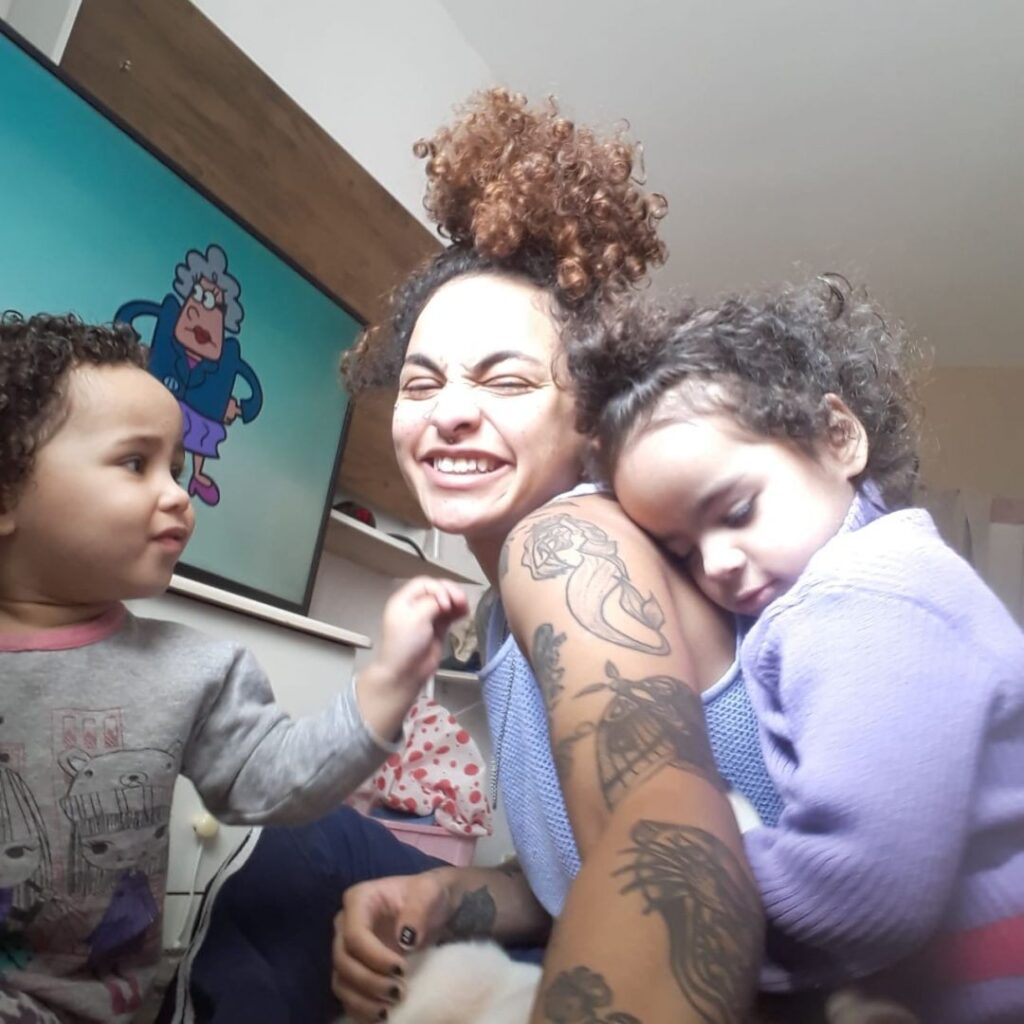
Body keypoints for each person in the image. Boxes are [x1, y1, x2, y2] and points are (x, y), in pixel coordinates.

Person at [567, 277, 1024, 1022]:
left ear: (839, 437)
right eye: (681, 551)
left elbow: (861, 889)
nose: (716, 563)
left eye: (738, 510)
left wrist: (698, 885)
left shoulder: (866, 595)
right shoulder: (861, 586)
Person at [0, 311, 468, 1023]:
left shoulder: (194, 671)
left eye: (176, 468)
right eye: (135, 463)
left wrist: (388, 684)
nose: (178, 494)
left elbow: (277, 781)